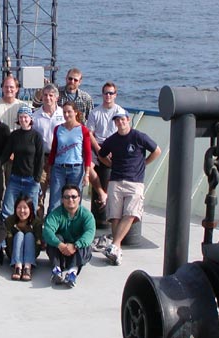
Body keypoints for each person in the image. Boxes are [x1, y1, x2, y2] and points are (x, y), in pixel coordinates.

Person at [98, 111, 161, 265]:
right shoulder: (111, 140)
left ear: (128, 119)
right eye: (117, 121)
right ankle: (116, 251)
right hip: (116, 180)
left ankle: (114, 245)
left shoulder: (139, 136)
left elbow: (157, 151)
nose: (120, 122)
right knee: (115, 215)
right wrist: (110, 164)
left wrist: (144, 163)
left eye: (122, 119)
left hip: (135, 182)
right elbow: (101, 155)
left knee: (131, 214)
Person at [43, 184, 95, 288]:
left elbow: (90, 233)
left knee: (86, 243)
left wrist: (75, 245)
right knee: (55, 238)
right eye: (66, 197)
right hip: (60, 251)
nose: (70, 199)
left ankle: (72, 273)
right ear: (62, 199)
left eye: (73, 197)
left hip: (77, 252)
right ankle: (56, 270)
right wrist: (60, 245)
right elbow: (47, 231)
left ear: (79, 198)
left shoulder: (87, 215)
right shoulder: (56, 214)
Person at [46, 101, 92, 215]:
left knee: (74, 202)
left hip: (76, 169)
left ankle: (73, 228)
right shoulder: (58, 129)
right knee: (54, 201)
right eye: (64, 112)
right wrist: (49, 170)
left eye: (69, 112)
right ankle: (52, 229)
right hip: (59, 169)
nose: (66, 115)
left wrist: (87, 174)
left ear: (76, 112)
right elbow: (53, 150)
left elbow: (87, 153)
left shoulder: (83, 130)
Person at [87, 82, 127, 211]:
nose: (108, 95)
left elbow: (123, 132)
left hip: (114, 146)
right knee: (88, 168)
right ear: (102, 94)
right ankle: (101, 193)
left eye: (111, 93)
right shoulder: (95, 112)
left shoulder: (119, 112)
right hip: (98, 146)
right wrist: (99, 150)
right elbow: (90, 134)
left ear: (115, 95)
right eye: (106, 93)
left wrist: (112, 150)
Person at [0, 105, 44, 218]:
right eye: (21, 117)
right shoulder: (14, 135)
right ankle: (7, 233)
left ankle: (31, 233)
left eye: (25, 117)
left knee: (30, 210)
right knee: (7, 209)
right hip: (15, 178)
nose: (23, 119)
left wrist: (37, 179)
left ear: (30, 119)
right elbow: (5, 154)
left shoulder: (37, 137)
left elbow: (40, 159)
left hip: (31, 180)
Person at [31, 83, 64, 217]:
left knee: (57, 194)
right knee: (39, 194)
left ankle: (54, 224)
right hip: (41, 159)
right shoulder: (35, 116)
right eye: (45, 95)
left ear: (56, 97)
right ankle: (38, 224)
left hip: (59, 158)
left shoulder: (64, 114)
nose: (48, 98)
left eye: (51, 95)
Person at [5, 195, 43, 282]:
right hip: (13, 252)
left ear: (30, 209)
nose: (22, 211)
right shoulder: (9, 221)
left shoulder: (36, 222)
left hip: (31, 252)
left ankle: (27, 267)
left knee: (29, 235)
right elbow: (8, 242)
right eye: (19, 208)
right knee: (19, 235)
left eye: (25, 208)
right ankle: (17, 266)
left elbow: (38, 243)